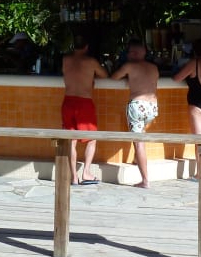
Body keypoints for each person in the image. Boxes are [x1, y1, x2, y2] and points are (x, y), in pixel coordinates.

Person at [110, 39, 159, 188]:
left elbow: (114, 77)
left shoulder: (129, 66)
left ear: (134, 53)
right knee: (140, 135)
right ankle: (137, 160)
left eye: (129, 51)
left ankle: (145, 180)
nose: (128, 54)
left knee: (139, 143)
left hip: (137, 105)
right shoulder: (153, 67)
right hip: (152, 107)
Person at [62, 34, 108, 185]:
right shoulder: (91, 61)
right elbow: (105, 75)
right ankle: (86, 173)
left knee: (71, 141)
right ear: (87, 47)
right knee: (92, 139)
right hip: (84, 102)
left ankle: (74, 177)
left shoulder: (65, 60)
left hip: (68, 101)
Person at [173, 38, 201, 178]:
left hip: (197, 102)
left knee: (199, 140)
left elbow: (177, 78)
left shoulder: (194, 63)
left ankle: (200, 173)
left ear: (193, 49)